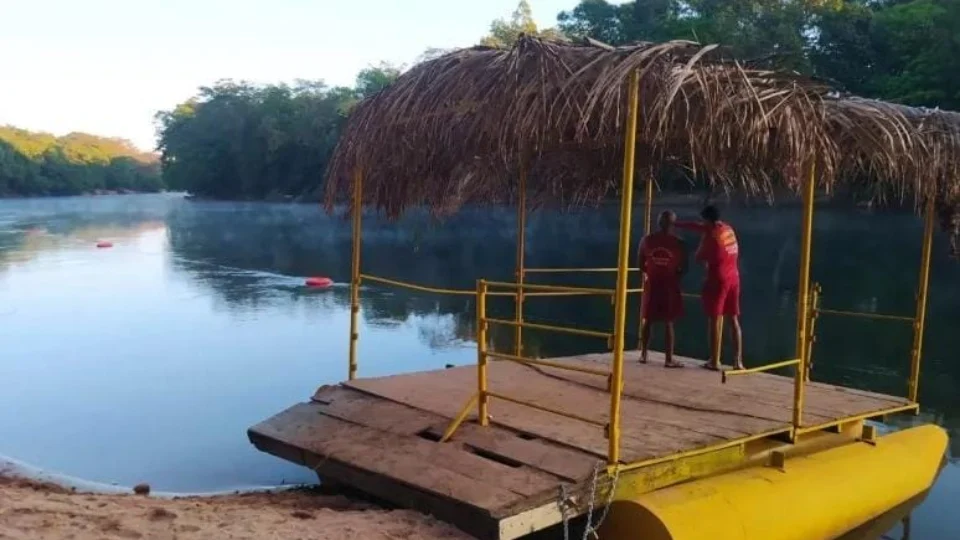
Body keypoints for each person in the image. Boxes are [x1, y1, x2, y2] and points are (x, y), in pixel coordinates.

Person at [675, 205, 744, 371]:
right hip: (734, 277)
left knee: (714, 319)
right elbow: (698, 227)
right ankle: (738, 361)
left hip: (717, 280)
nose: (701, 224)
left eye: (703, 221)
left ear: (707, 220)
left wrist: (701, 239)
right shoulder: (727, 229)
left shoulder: (711, 237)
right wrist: (678, 224)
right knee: (733, 319)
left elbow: (698, 256)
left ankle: (714, 360)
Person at [637, 210, 687, 368]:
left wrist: (650, 271)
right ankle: (668, 359)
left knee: (649, 319)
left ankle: (644, 354)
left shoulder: (647, 240)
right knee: (668, 321)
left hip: (653, 283)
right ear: (673, 225)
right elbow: (684, 267)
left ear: (659, 223)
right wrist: (674, 275)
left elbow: (640, 264)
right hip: (669, 284)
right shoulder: (678, 242)